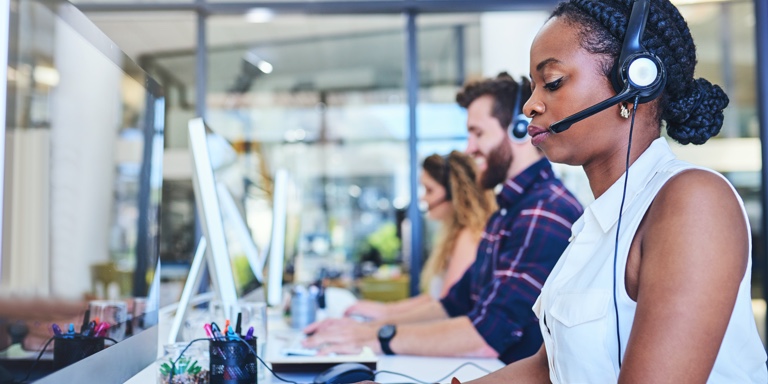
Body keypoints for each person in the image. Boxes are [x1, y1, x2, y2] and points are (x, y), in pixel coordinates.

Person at [462, 0, 768, 382]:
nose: (530, 106)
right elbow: (546, 370)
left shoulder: (693, 202)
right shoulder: (594, 225)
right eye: (533, 87)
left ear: (633, 81)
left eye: (552, 82)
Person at [302, 73, 583, 363]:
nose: (469, 148)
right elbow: (452, 304)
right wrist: (369, 329)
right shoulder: (509, 211)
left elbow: (487, 336)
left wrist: (378, 338)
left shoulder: (543, 211)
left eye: (478, 133)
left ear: (520, 131)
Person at [345, 151, 496, 320]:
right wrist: (385, 310)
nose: (423, 198)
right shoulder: (455, 235)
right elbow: (433, 299)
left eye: (429, 190)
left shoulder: (469, 238)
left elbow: (445, 310)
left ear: (454, 193)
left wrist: (375, 326)